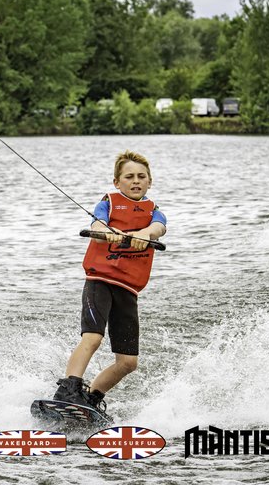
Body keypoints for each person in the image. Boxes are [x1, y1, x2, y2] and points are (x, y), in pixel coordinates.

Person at [53, 150, 167, 415]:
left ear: (149, 182)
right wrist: (109, 234)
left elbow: (158, 228)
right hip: (100, 282)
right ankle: (68, 389)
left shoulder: (154, 212)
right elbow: (98, 223)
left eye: (141, 177)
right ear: (117, 182)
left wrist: (143, 234)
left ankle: (91, 398)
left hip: (128, 290)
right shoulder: (109, 202)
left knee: (128, 362)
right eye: (129, 177)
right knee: (92, 338)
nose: (135, 181)